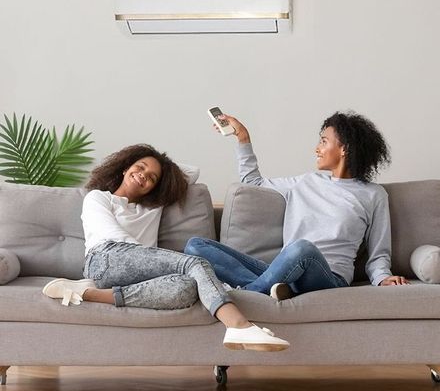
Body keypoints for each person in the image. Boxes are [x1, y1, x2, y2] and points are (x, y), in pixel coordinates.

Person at [42, 144, 289, 352]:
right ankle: (239, 326)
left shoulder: (152, 207)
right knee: (193, 264)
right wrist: (156, 260)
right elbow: (113, 237)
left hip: (137, 274)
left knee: (187, 287)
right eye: (139, 167)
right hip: (105, 259)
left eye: (152, 178)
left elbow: (191, 173)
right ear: (125, 166)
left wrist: (163, 170)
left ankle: (87, 294)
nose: (144, 176)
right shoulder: (99, 198)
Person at [185, 111, 410, 301]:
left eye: (324, 141)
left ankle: (251, 295)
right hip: (286, 270)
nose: (317, 148)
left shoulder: (373, 195)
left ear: (345, 149)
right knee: (196, 246)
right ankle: (271, 288)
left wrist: (382, 277)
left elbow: (379, 250)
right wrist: (243, 138)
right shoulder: (305, 182)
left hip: (328, 277)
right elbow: (253, 183)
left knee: (302, 248)